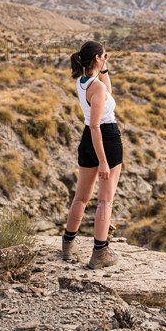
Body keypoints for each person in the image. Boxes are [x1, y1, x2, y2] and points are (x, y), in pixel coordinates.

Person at [62, 40, 123, 269]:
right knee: (105, 200)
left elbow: (107, 91)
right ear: (97, 58)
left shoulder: (82, 81)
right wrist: (104, 162)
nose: (106, 57)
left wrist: (104, 68)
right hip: (105, 138)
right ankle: (100, 252)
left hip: (87, 139)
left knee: (81, 197)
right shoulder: (96, 87)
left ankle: (68, 244)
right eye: (104, 56)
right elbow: (97, 125)